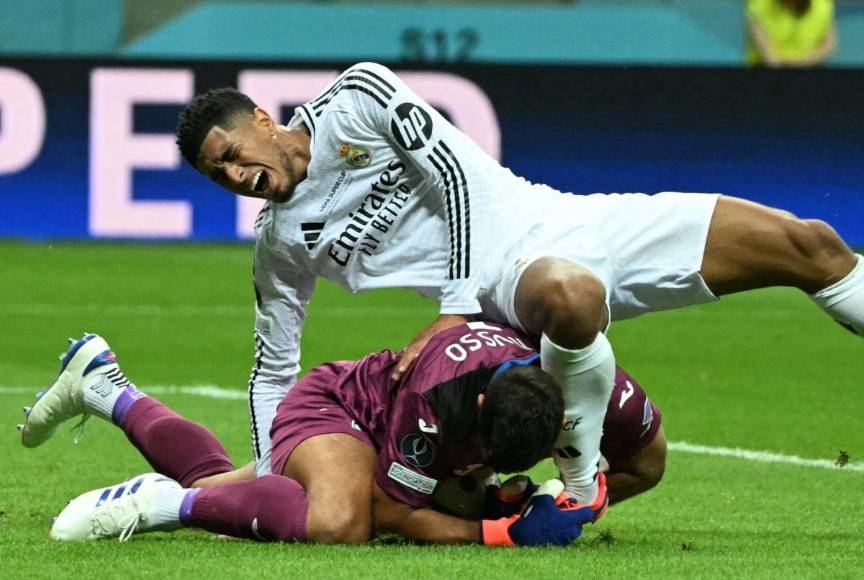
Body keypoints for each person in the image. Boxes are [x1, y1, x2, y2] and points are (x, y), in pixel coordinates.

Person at [172, 62, 862, 523]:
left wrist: (451, 309)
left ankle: (551, 495)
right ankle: (579, 479)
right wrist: (271, 474)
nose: (233, 175)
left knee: (811, 245)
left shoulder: (359, 97)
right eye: (216, 174)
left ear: (263, 120)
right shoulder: (281, 242)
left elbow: (455, 177)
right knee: (573, 299)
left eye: (231, 153)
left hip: (561, 219)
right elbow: (273, 367)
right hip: (507, 284)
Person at [21, 322, 665, 544]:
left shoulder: (587, 382)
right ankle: (164, 504)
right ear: (478, 403)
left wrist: (571, 497)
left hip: (388, 440)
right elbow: (392, 510)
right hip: (340, 411)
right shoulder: (436, 394)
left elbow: (648, 462)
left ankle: (107, 388)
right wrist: (501, 532)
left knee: (229, 483)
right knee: (342, 521)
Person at [746, 0, 837, 67]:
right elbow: (769, 58)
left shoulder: (823, 4)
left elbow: (828, 46)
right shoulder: (757, 4)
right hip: (765, 69)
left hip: (811, 67)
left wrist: (802, 62)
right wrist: (794, 63)